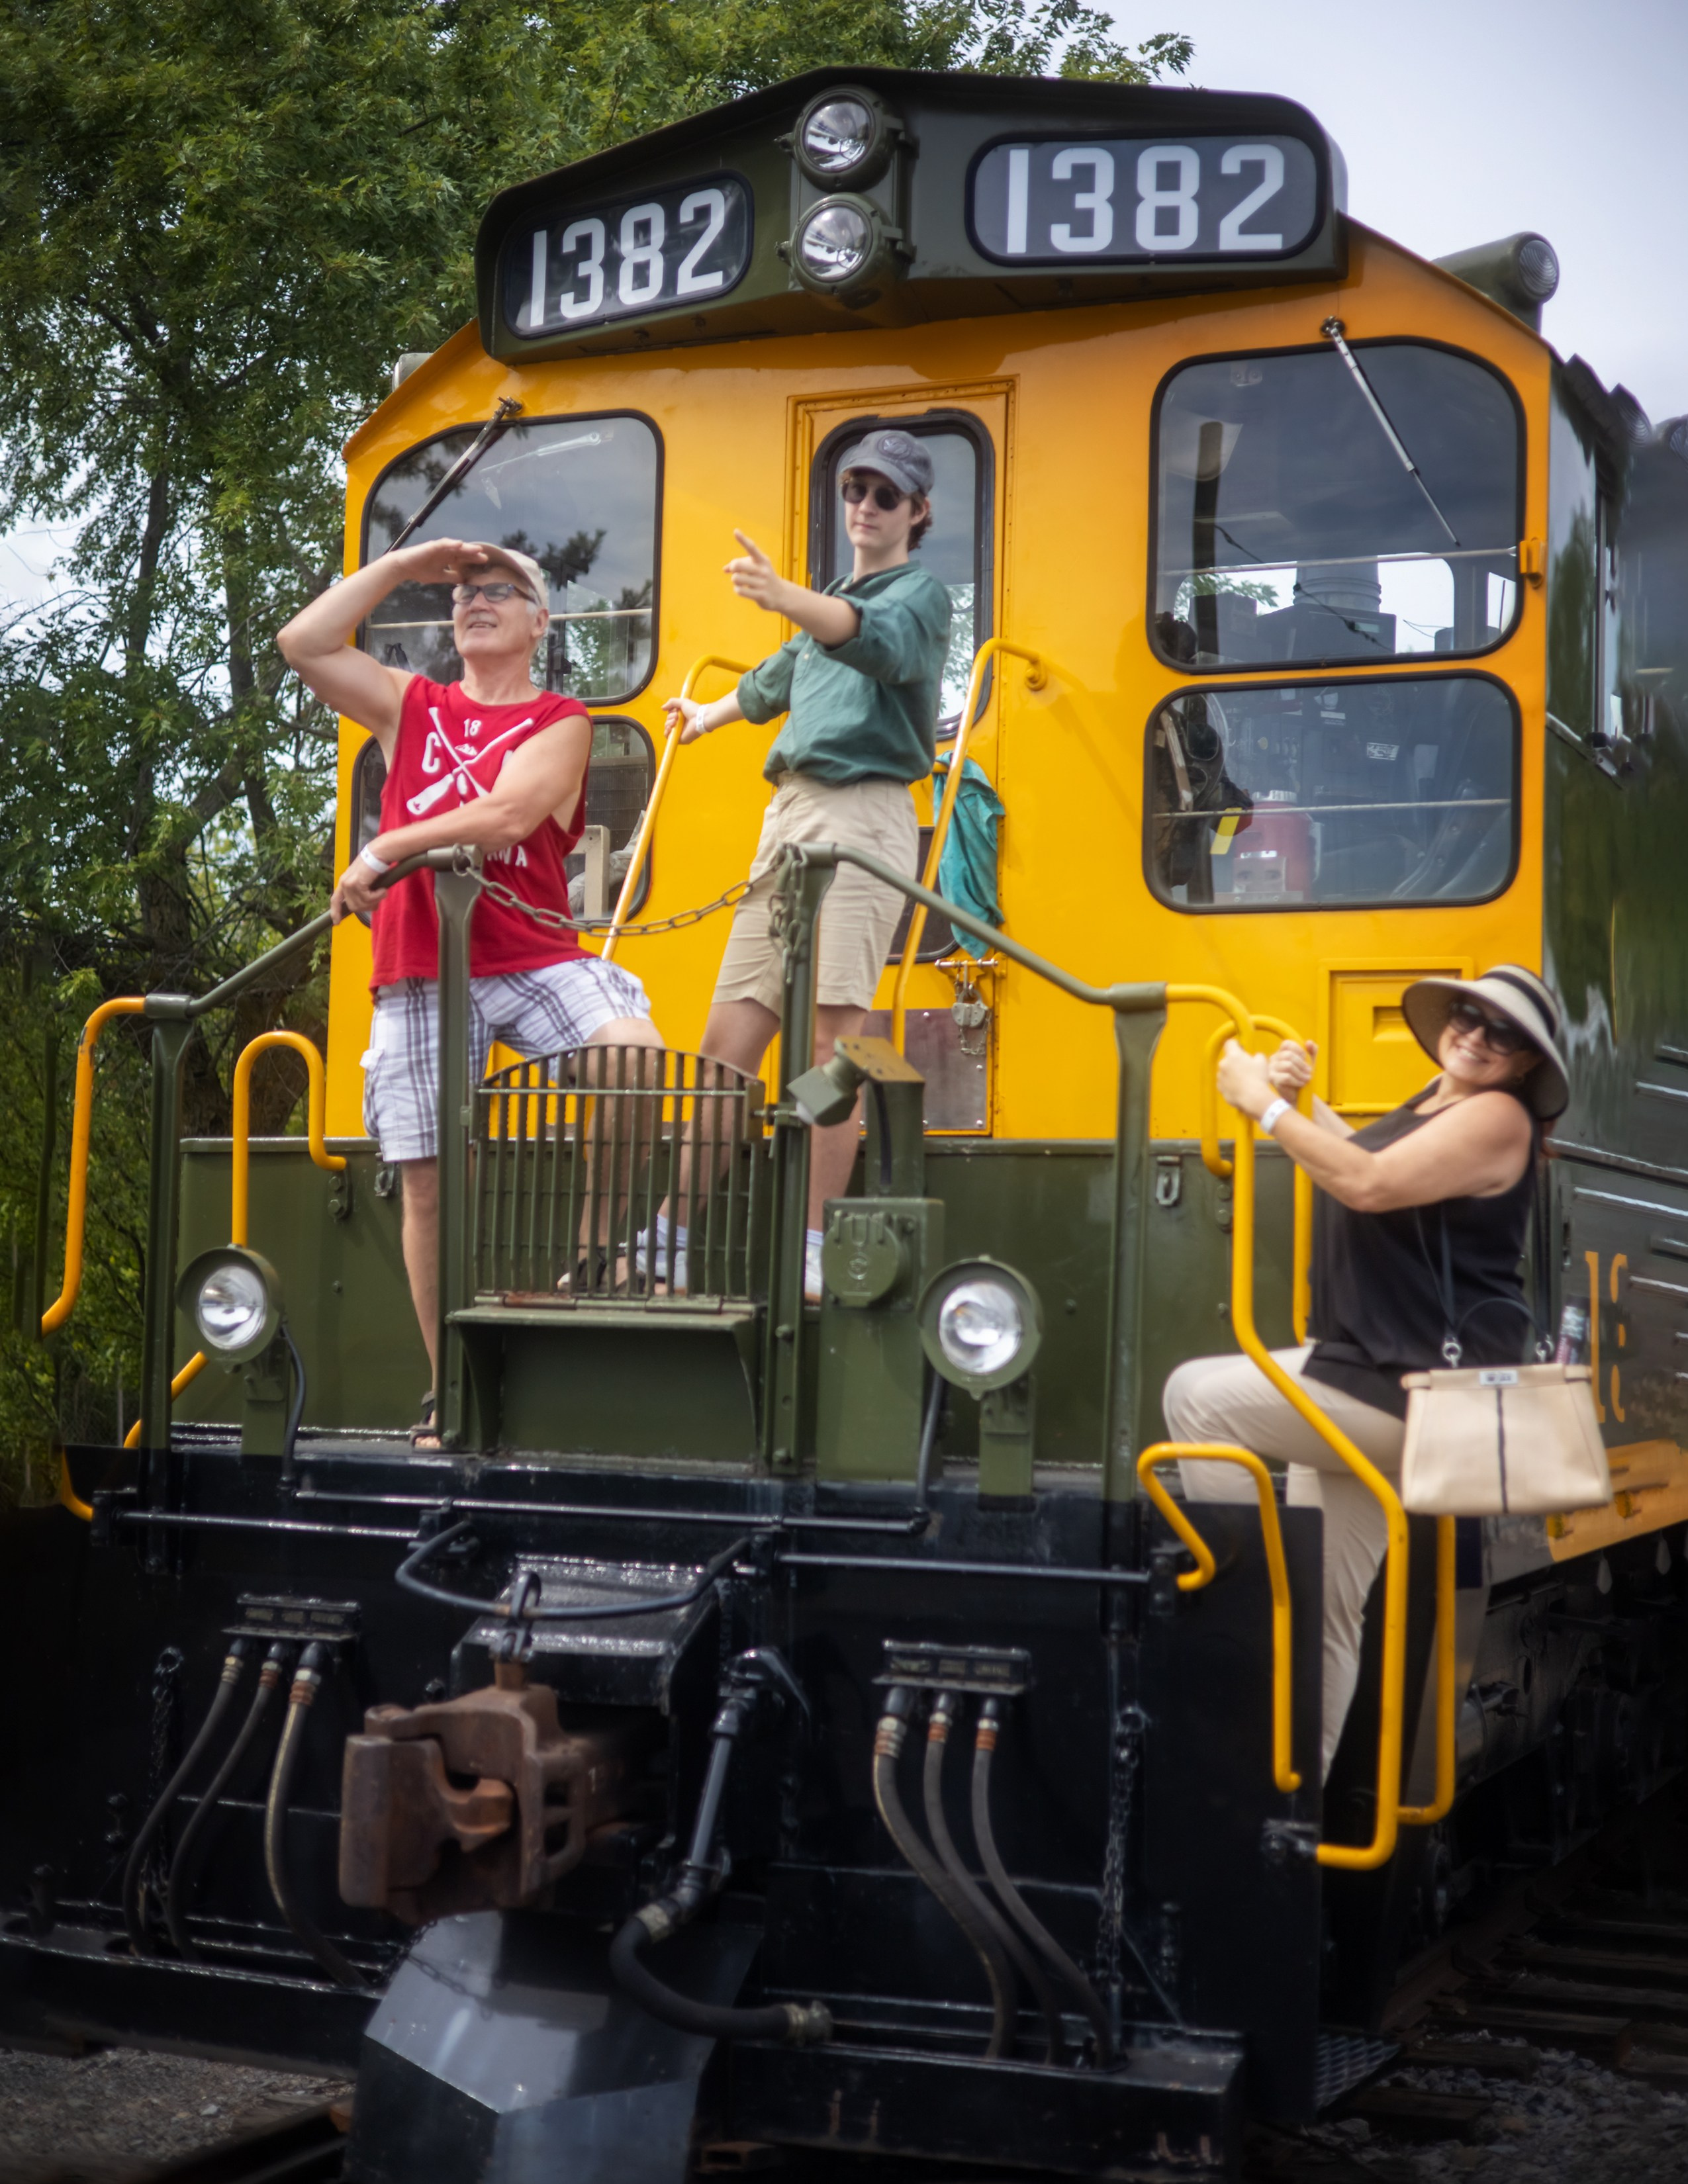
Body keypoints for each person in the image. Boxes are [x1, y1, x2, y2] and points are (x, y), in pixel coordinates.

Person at [278, 537, 660, 1434]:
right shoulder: (410, 704)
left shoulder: (563, 719)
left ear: (540, 622)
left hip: (533, 954)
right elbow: (302, 644)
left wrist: (387, 845)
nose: (476, 601)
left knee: (635, 1059)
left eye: (501, 590)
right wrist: (401, 567)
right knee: (427, 1180)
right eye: (463, 593)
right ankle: (450, 1384)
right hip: (420, 962)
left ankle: (593, 1252)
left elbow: (509, 815)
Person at [1161, 966, 1570, 1778]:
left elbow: (1367, 1184)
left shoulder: (1500, 1118)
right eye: (1467, 1015)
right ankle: (1291, 1803)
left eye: (1503, 1033)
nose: (1475, 1036)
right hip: (1367, 1367)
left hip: (1413, 1386)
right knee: (1325, 1614)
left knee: (1196, 1399)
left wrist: (1263, 1105)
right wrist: (1299, 1100)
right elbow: (1358, 1161)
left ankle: (1240, 1598)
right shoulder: (1435, 1102)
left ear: (1527, 1062)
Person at [658, 429, 953, 1298]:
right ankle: (669, 1234)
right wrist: (706, 717)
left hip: (862, 814)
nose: (865, 506)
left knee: (833, 1041)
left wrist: (785, 596)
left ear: (918, 511)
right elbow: (775, 679)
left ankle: (816, 1242)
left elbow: (872, 644)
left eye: (886, 495)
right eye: (855, 489)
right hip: (786, 818)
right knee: (727, 1046)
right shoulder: (829, 604)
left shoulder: (920, 596)